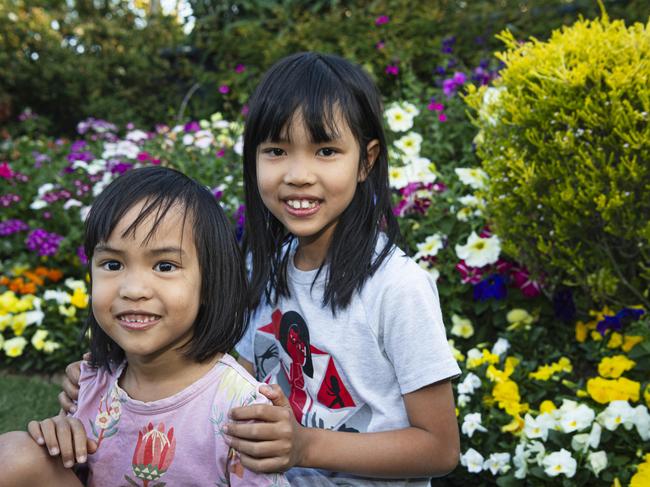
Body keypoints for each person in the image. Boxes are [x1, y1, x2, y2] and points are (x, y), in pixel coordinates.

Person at [59, 52, 462, 486]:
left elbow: (439, 448)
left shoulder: (398, 288)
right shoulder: (264, 268)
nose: (298, 174)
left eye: (326, 150)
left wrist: (306, 445)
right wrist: (109, 389)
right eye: (276, 151)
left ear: (366, 161)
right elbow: (232, 379)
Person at [0, 166, 288, 487]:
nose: (133, 289)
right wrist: (60, 440)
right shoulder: (92, 381)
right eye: (113, 264)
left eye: (164, 266)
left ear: (209, 283)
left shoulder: (240, 410)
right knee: (16, 453)